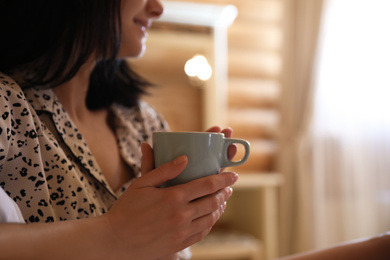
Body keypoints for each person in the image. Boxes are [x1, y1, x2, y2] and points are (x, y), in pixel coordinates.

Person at [0, 1, 238, 259]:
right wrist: (113, 233)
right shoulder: (8, 107)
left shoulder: (144, 123)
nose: (158, 8)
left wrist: (184, 221)